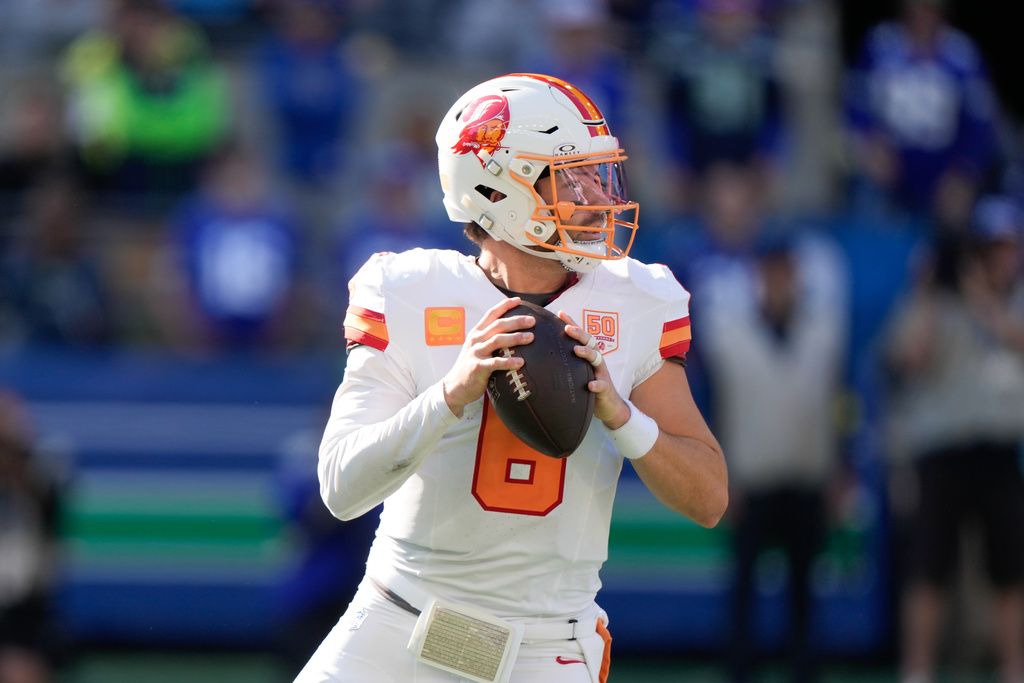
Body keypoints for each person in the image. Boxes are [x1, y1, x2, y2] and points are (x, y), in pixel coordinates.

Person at [296, 73, 728, 683]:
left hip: (548, 645)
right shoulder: (408, 290)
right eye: (571, 177)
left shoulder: (638, 299)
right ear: (497, 191)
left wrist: (621, 417)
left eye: (596, 176)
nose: (596, 196)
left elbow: (709, 499)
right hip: (403, 619)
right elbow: (341, 489)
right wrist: (451, 393)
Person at [884, 195, 1024, 683]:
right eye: (991, 248)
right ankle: (917, 670)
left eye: (1008, 247)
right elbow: (908, 357)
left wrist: (980, 296)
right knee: (928, 568)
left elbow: (1014, 338)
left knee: (1009, 569)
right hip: (942, 451)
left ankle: (1014, 669)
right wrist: (927, 289)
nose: (1001, 258)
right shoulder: (938, 300)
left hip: (1000, 450)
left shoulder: (1014, 298)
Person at [697, 228, 847, 683]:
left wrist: (840, 468)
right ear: (758, 275)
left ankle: (805, 669)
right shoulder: (731, 334)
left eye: (786, 270)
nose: (780, 279)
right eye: (772, 270)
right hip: (751, 477)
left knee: (804, 586)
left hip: (807, 475)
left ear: (797, 274)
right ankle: (740, 670)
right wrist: (721, 476)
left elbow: (836, 403)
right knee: (743, 586)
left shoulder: (822, 331)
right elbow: (716, 408)